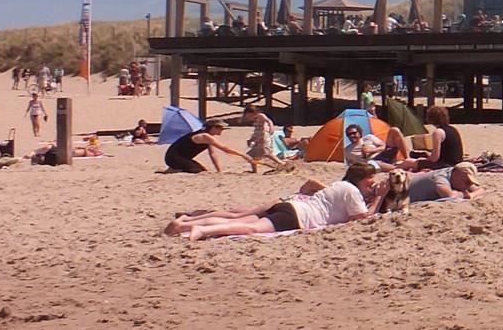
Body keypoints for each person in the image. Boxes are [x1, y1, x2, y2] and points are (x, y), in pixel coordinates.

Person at [164, 163, 387, 240]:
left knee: (242, 218)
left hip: (290, 206)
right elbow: (361, 219)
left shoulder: (339, 185)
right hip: (298, 217)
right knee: (250, 228)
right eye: (370, 182)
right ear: (364, 179)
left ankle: (187, 224)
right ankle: (197, 229)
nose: (371, 185)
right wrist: (378, 197)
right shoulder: (352, 192)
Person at [164, 118, 254, 173]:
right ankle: (174, 169)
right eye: (221, 128)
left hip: (179, 158)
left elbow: (213, 154)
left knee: (201, 170)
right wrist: (244, 155)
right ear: (214, 128)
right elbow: (225, 149)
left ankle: (174, 168)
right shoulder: (205, 136)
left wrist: (219, 170)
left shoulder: (207, 136)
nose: (222, 130)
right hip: (173, 158)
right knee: (196, 171)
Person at [407, 162, 483, 202]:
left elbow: (480, 190)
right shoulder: (440, 177)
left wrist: (471, 195)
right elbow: (449, 196)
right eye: (466, 182)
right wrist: (465, 195)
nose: (467, 186)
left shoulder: (455, 176)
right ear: (457, 173)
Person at [419, 104, 464, 169]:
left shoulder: (438, 132)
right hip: (456, 163)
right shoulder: (453, 129)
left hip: (445, 165)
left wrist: (423, 159)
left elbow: (434, 158)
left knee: (408, 162)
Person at [242, 103, 278, 170]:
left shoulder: (260, 116)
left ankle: (281, 163)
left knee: (266, 152)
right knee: (252, 155)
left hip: (264, 136)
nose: (249, 118)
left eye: (249, 116)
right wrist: (251, 139)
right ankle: (254, 170)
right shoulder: (255, 120)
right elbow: (256, 131)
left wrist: (271, 127)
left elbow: (268, 120)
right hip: (258, 138)